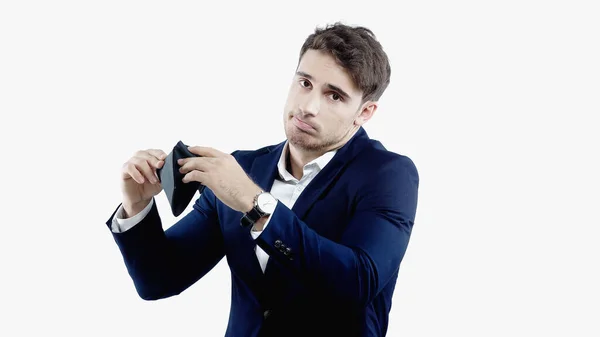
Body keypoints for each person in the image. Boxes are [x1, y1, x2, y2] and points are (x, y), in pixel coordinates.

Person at [105, 22, 419, 337]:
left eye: (334, 96)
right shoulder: (243, 167)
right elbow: (159, 280)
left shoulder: (388, 175)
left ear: (365, 112)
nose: (308, 107)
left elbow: (358, 281)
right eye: (305, 83)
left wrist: (255, 204)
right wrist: (138, 204)